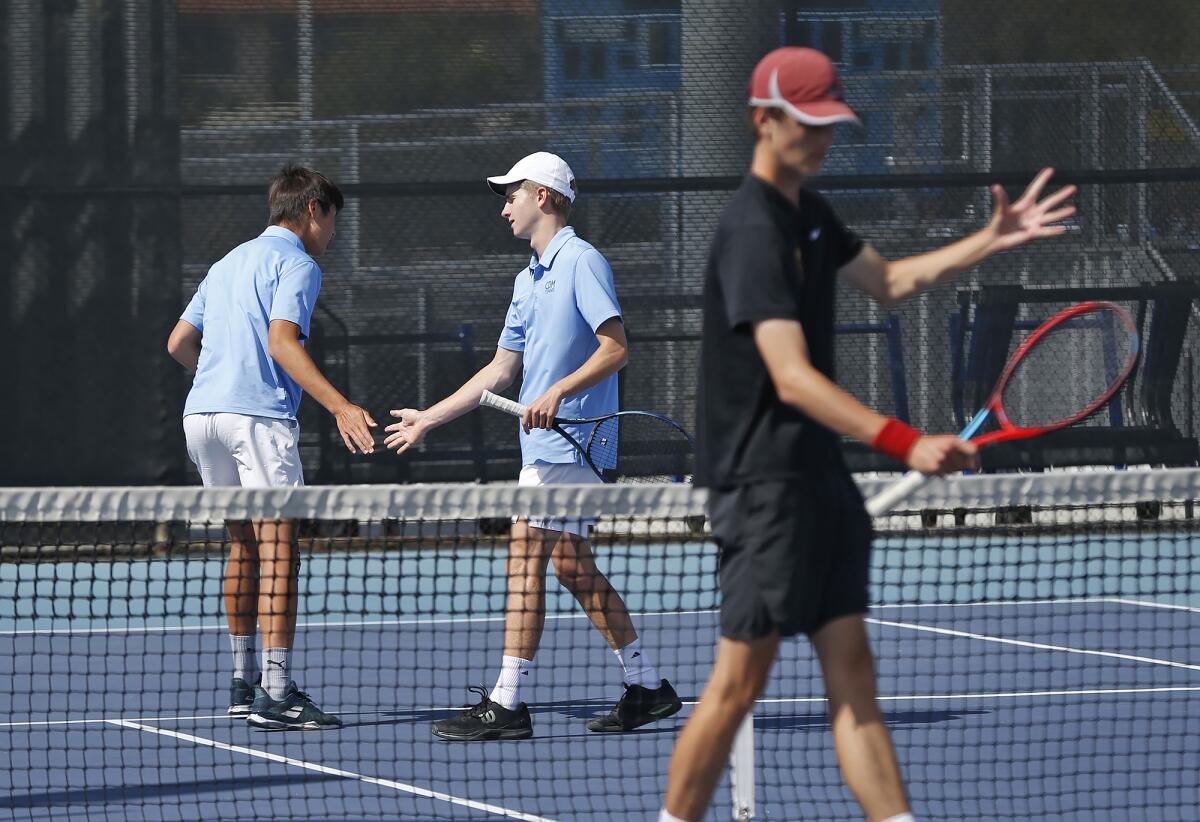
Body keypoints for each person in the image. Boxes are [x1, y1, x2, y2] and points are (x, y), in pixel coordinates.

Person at [659, 48, 1077, 821]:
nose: (822, 139)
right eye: (808, 123)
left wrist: (993, 238)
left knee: (853, 671)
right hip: (761, 486)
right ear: (764, 119)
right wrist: (903, 441)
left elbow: (888, 282)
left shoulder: (810, 215)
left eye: (832, 125)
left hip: (818, 480)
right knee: (738, 684)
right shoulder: (751, 228)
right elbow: (788, 375)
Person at [384, 151, 683, 740]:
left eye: (511, 195)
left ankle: (508, 702)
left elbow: (616, 347)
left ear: (543, 196)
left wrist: (559, 393)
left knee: (524, 559)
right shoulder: (528, 280)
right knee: (572, 567)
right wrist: (428, 420)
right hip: (544, 451)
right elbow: (499, 371)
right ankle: (648, 687)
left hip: (574, 446)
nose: (504, 208)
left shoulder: (582, 261)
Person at [166, 163, 377, 731]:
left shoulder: (227, 261)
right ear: (313, 210)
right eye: (332, 219)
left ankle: (243, 682)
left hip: (202, 418)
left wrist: (221, 377)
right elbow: (282, 342)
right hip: (256, 422)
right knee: (281, 550)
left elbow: (179, 343)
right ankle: (277, 691)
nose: (332, 233)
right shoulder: (299, 264)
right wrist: (340, 406)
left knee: (242, 546)